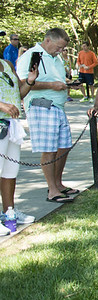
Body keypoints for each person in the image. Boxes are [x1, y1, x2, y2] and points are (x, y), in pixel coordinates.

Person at [16, 28, 77, 203]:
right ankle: (52, 190)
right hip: (41, 105)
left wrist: (65, 84)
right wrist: (52, 85)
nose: (60, 51)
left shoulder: (55, 57)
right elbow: (24, 83)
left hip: (57, 105)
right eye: (58, 47)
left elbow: (56, 78)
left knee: (64, 146)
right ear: (48, 40)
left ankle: (58, 184)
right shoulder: (31, 56)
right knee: (49, 149)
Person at [0, 51, 40, 234]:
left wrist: (30, 81)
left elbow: (18, 94)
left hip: (12, 125)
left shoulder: (7, 64)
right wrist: (2, 105)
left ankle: (9, 211)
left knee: (10, 171)